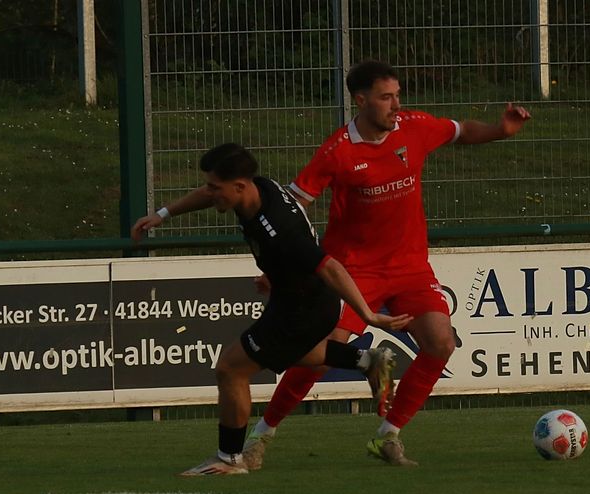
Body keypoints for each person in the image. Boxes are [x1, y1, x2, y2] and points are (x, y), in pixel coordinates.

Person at [243, 60, 532, 467]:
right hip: (353, 271)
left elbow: (462, 131)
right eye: (386, 97)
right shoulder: (338, 151)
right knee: (322, 351)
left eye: (397, 95)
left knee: (441, 343)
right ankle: (261, 435)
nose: (396, 105)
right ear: (361, 101)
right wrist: (280, 266)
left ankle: (388, 435)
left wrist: (500, 130)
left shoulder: (414, 127)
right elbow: (293, 206)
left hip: (410, 267)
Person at [131, 142, 412, 475]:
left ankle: (229, 458)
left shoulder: (279, 228)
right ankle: (366, 361)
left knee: (231, 369)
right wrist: (163, 215)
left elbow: (330, 267)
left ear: (239, 186)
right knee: (293, 352)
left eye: (215, 187)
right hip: (292, 296)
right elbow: (210, 194)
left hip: (304, 308)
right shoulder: (255, 188)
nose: (210, 193)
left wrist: (367, 314)